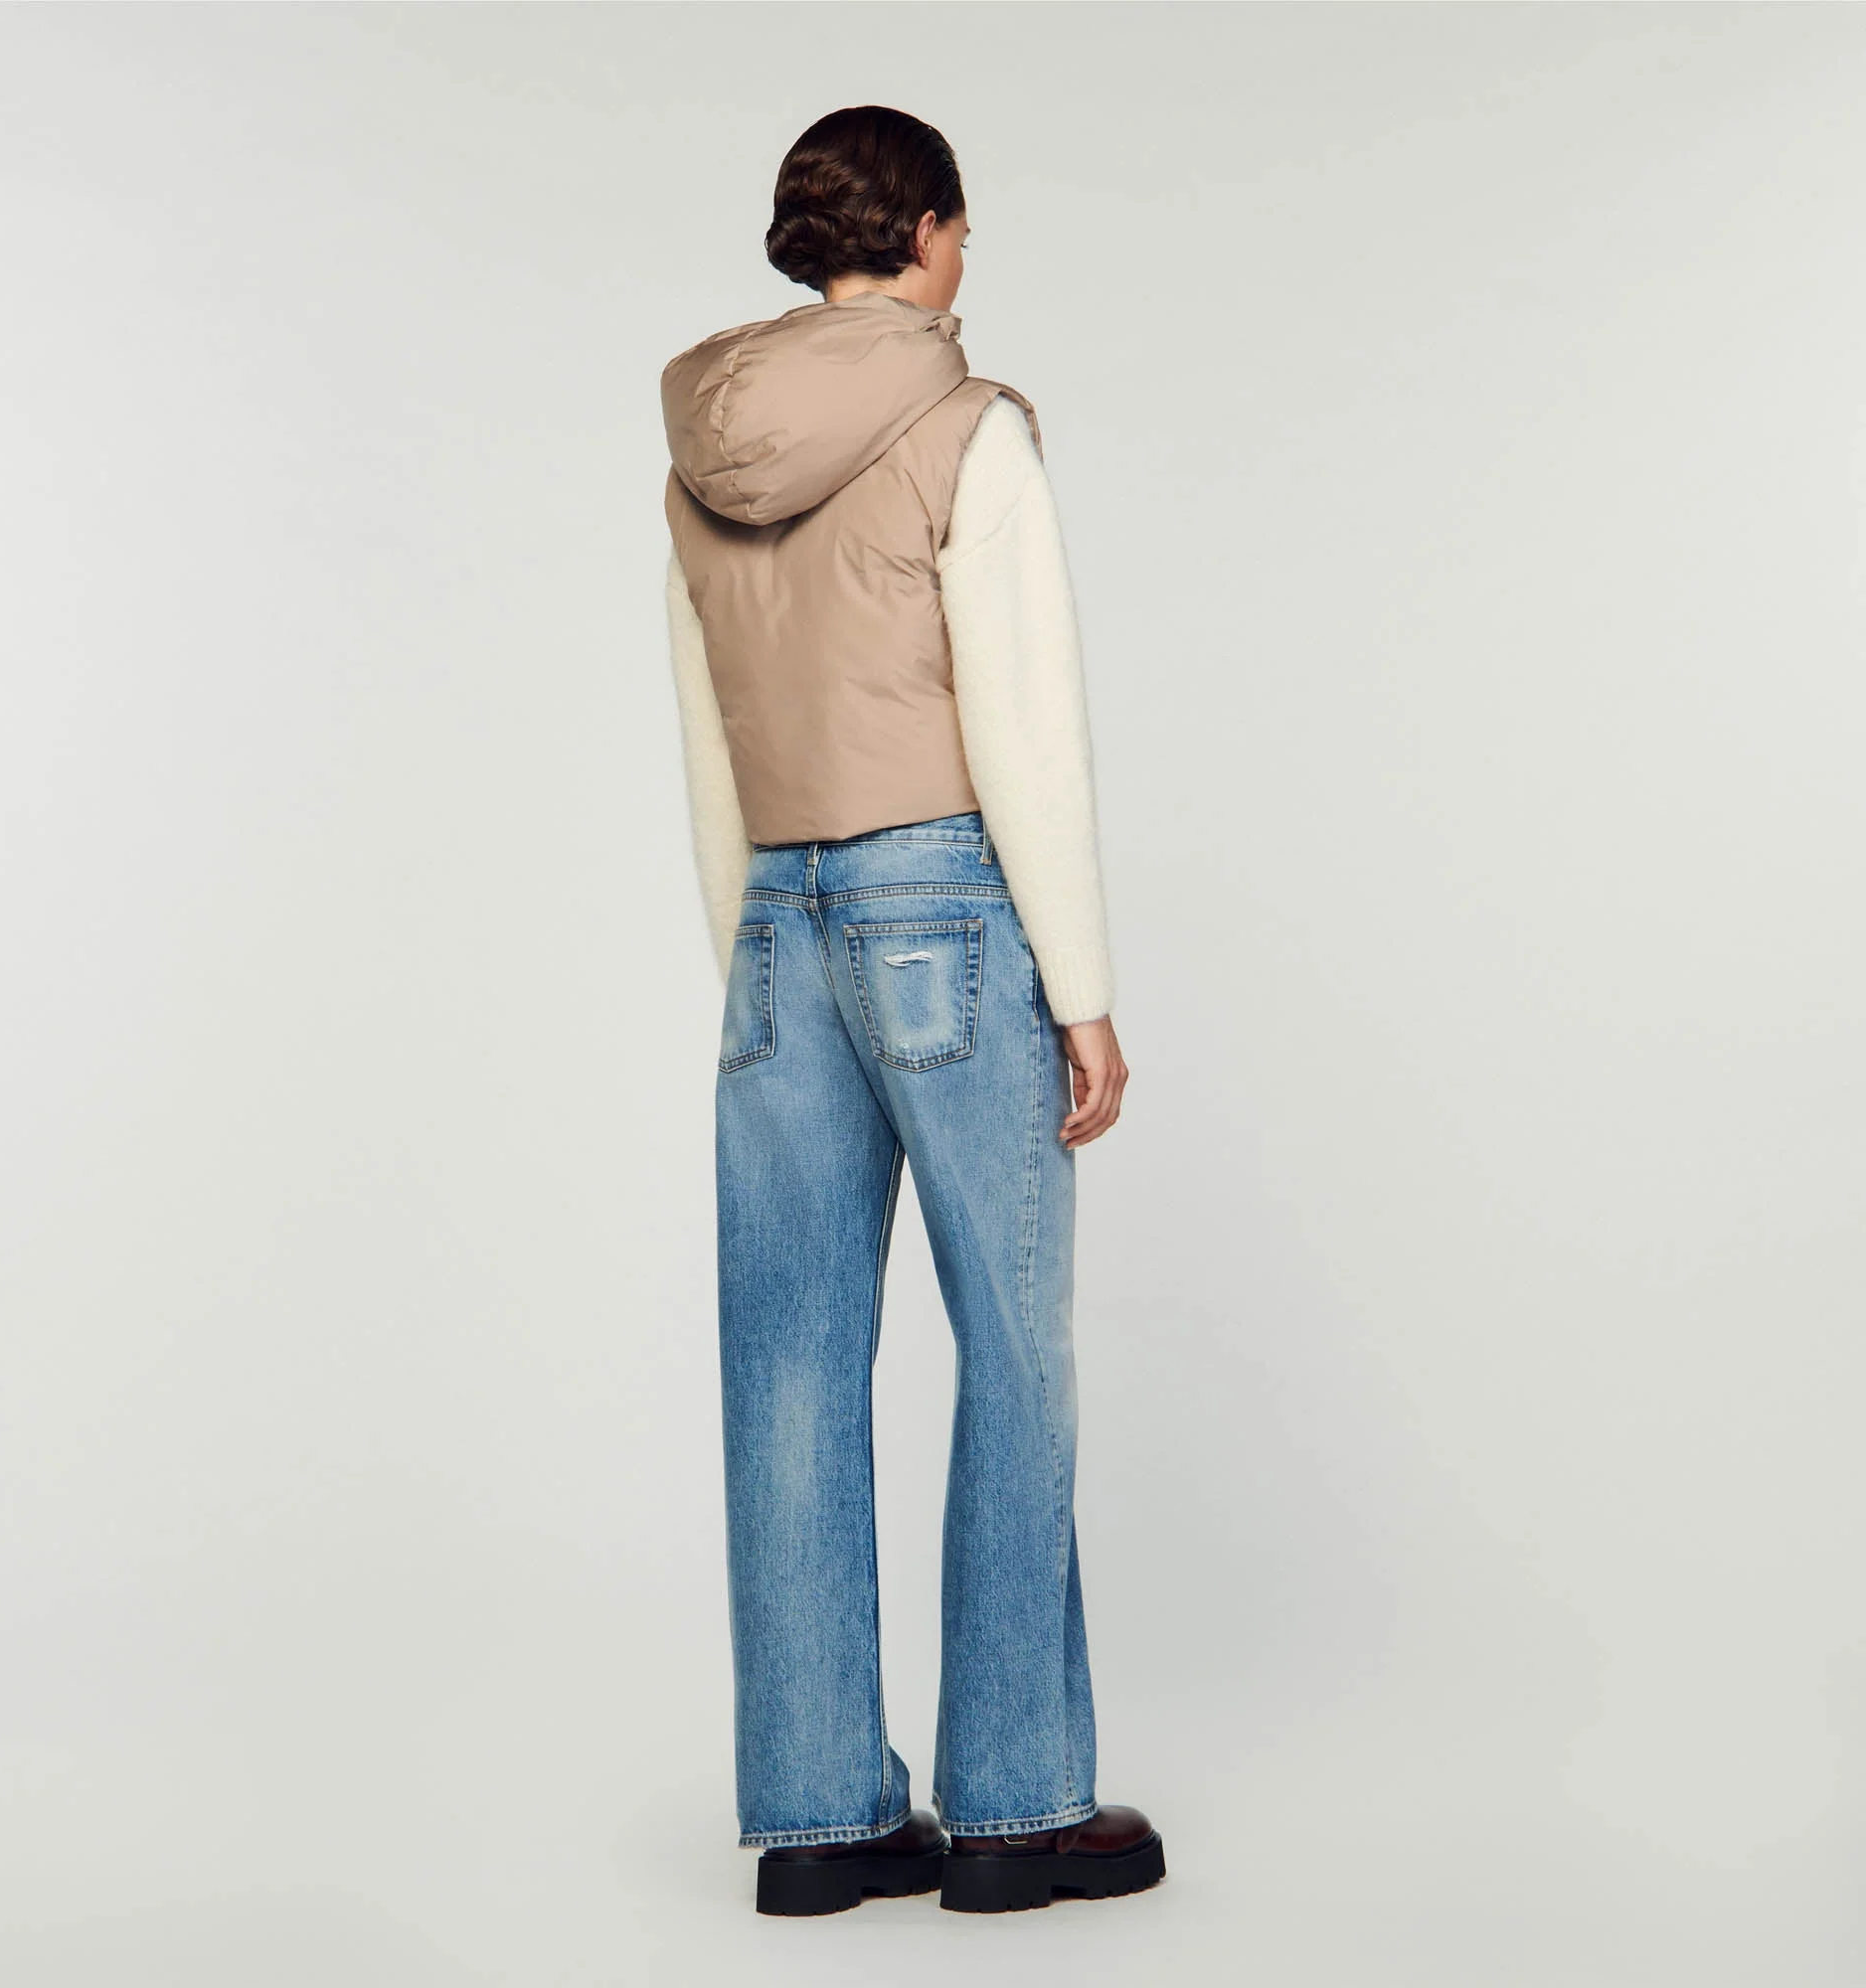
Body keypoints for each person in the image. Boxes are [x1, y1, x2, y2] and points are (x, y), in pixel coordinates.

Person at [659, 104, 1163, 1918]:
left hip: (776, 919)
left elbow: (709, 734)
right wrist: (1082, 992)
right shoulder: (970, 426)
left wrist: (750, 951)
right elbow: (1026, 724)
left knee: (786, 1363)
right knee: (1013, 1349)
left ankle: (821, 1818)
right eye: (961, 229)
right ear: (930, 231)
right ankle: (1016, 1806)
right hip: (946, 902)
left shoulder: (700, 453)